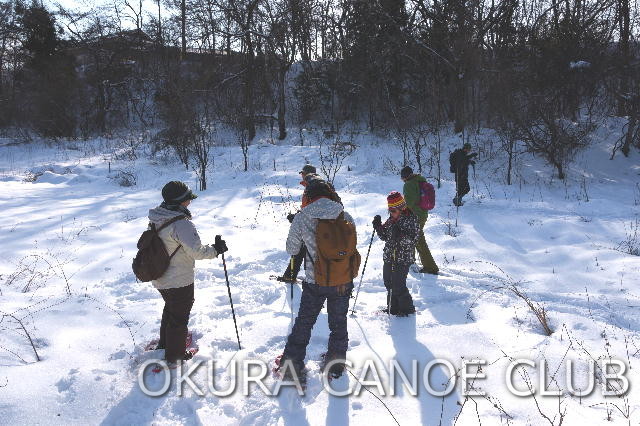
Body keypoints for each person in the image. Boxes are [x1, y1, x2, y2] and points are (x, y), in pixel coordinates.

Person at [277, 182, 356, 382]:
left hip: (315, 283)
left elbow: (292, 250)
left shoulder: (302, 218)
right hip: (342, 281)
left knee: (304, 323)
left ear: (309, 197)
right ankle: (336, 365)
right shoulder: (345, 216)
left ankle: (291, 366)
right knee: (338, 324)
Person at [148, 181, 228, 366]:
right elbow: (197, 252)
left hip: (160, 275)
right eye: (187, 199)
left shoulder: (158, 217)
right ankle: (175, 357)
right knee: (179, 318)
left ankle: (165, 344)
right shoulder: (181, 225)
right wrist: (216, 249)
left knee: (171, 310)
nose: (189, 203)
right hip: (178, 280)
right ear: (179, 202)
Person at [278, 165, 342, 283]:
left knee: (301, 248)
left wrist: (299, 218)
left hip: (313, 223)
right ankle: (296, 276)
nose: (301, 175)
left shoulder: (311, 186)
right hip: (328, 223)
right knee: (309, 249)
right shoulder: (324, 186)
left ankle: (298, 277)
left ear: (306, 173)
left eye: (302, 173)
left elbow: (309, 207)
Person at [372, 191, 418, 316]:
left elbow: (414, 239)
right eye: (389, 210)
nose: (391, 213)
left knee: (398, 285)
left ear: (401, 208)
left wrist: (401, 235)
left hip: (402, 258)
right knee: (388, 282)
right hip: (389, 256)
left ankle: (407, 309)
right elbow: (385, 237)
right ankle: (392, 308)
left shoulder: (410, 219)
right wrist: (378, 227)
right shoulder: (391, 220)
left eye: (393, 210)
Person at [400, 166, 439, 275]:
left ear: (404, 177)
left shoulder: (408, 185)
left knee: (419, 240)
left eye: (402, 177)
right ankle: (411, 260)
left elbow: (409, 203)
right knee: (413, 237)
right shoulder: (420, 180)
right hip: (422, 214)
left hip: (414, 216)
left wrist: (399, 212)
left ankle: (430, 267)